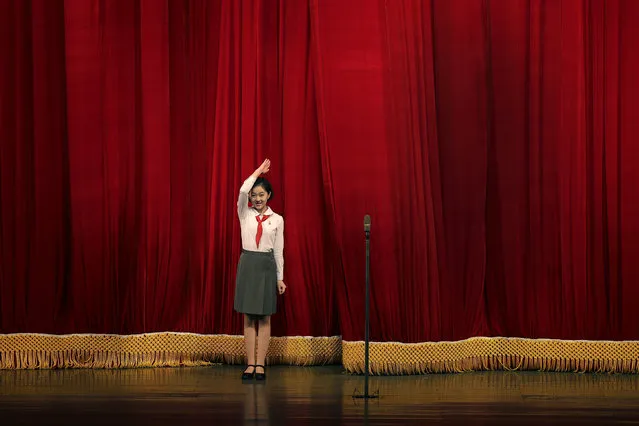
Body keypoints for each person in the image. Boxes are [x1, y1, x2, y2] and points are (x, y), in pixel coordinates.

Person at [234, 158, 286, 381]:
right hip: (248, 264)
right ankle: (250, 364)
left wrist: (279, 278)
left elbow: (278, 251)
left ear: (269, 196)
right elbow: (243, 189)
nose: (256, 198)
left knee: (264, 318)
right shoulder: (243, 213)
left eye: (261, 195)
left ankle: (261, 364)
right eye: (254, 195)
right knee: (248, 317)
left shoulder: (277, 219)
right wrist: (257, 172)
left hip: (266, 266)